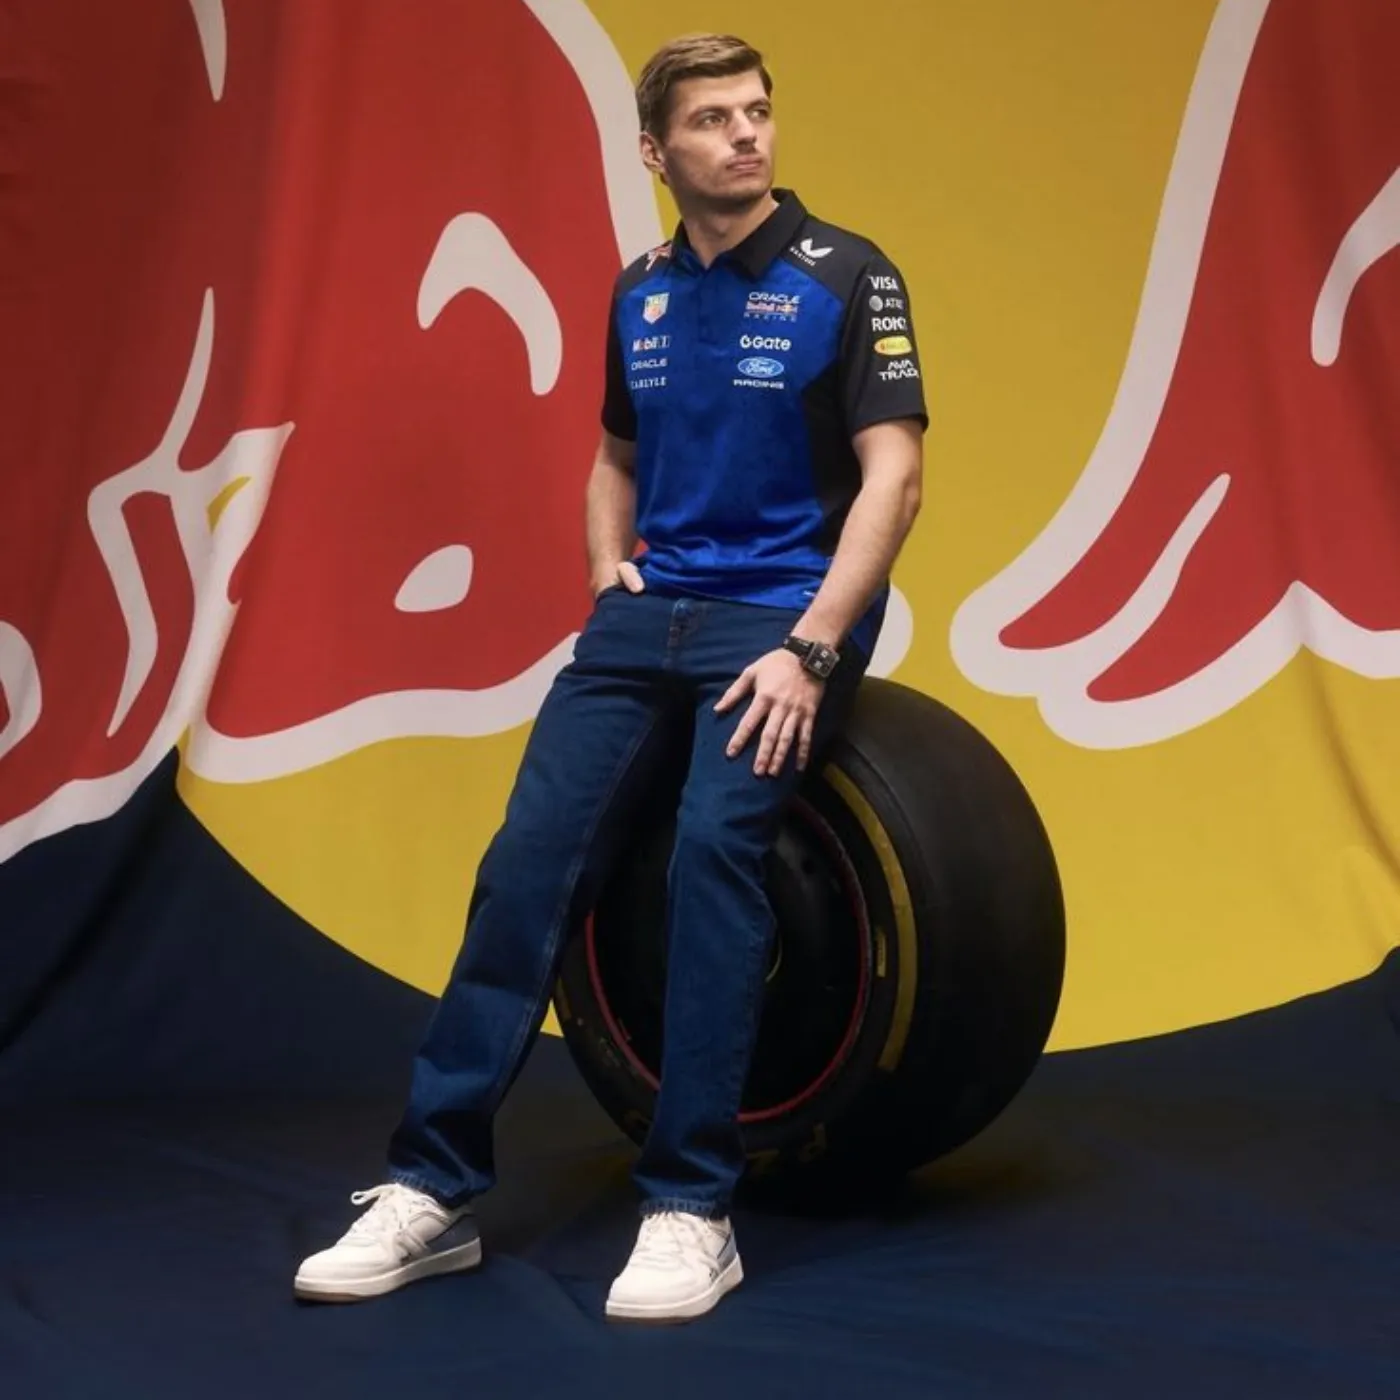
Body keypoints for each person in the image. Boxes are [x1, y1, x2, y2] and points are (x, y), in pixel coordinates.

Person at [294, 32, 927, 1323]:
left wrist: (813, 647)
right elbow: (613, 460)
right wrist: (606, 570)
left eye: (756, 111)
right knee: (526, 868)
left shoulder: (846, 275)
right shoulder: (638, 291)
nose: (745, 135)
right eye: (712, 119)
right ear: (656, 150)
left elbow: (896, 475)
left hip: (780, 619)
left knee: (710, 858)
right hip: (650, 623)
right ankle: (430, 1189)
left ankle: (691, 1208)